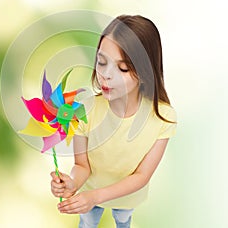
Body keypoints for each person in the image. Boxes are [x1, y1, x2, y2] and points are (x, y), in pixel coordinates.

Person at [50, 15, 177, 228]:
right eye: (101, 62)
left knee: (123, 217)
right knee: (88, 221)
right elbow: (82, 165)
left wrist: (96, 197)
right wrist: (71, 183)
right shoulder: (83, 111)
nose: (106, 75)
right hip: (90, 190)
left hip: (127, 194)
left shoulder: (162, 118)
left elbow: (142, 176)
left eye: (123, 68)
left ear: (145, 73)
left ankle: (123, 220)